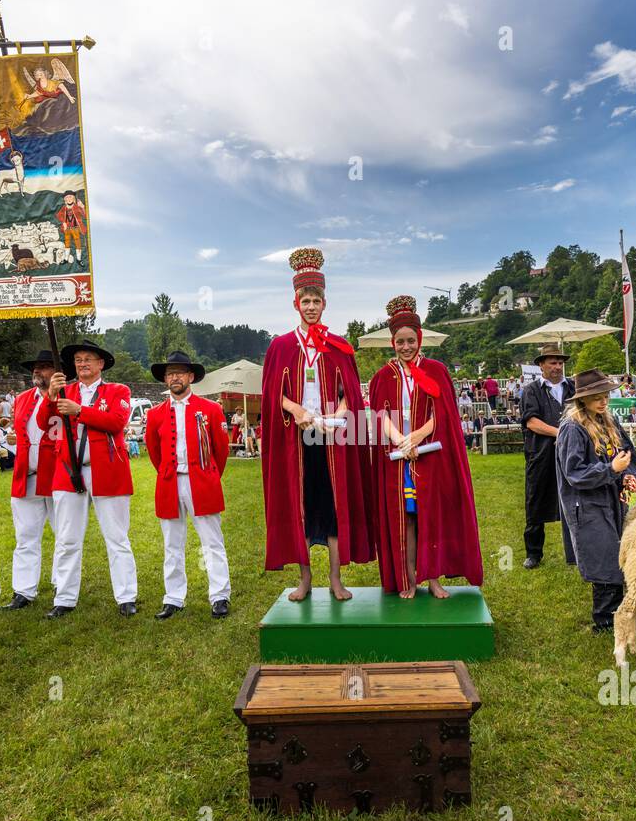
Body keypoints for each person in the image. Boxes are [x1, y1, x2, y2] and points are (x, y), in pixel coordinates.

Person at [260, 247, 374, 601]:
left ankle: (336, 579)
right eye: (305, 300)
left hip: (332, 439)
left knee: (334, 506)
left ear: (325, 305)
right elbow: (270, 396)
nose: (311, 306)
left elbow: (350, 394)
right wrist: (296, 410)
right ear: (296, 303)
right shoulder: (279, 347)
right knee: (300, 507)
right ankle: (305, 579)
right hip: (295, 440)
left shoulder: (338, 347)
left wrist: (341, 414)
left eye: (316, 301)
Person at [367, 296, 482, 599]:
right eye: (400, 342)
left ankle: (433, 578)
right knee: (405, 519)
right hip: (397, 459)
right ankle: (408, 578)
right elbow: (380, 415)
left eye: (411, 340)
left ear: (419, 339)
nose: (406, 347)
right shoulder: (382, 377)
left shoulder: (436, 370)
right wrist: (400, 442)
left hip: (430, 455)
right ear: (393, 343)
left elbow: (443, 414)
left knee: (431, 516)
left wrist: (417, 438)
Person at [38, 342, 138, 618]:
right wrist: (50, 397)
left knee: (116, 537)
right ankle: (65, 597)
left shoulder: (118, 391)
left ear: (100, 364)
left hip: (106, 469)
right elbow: (42, 424)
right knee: (67, 538)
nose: (82, 364)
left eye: (88, 359)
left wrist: (79, 410)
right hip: (69, 471)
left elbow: (116, 422)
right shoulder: (65, 390)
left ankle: (126, 595)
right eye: (78, 360)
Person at [556, 369, 636, 633]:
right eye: (597, 396)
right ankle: (604, 621)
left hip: (613, 501)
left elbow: (628, 455)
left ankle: (620, 615)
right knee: (604, 558)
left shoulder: (609, 422)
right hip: (587, 506)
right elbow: (574, 474)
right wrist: (611, 471)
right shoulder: (572, 428)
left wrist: (629, 475)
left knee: (617, 555)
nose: (603, 400)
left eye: (605, 395)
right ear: (582, 399)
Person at [146, 351, 232, 620]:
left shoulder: (210, 409)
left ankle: (219, 595)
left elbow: (221, 451)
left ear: (191, 376)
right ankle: (173, 598)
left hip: (202, 482)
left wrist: (207, 476)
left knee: (211, 542)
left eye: (180, 373)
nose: (175, 377)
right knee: (172, 543)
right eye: (170, 373)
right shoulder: (155, 414)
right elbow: (154, 452)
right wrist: (169, 473)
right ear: (165, 379)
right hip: (170, 483)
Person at [4, 350, 59, 611]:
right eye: (35, 367)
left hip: (58, 475)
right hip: (26, 475)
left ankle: (64, 585)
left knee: (64, 535)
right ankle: (24, 590)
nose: (37, 371)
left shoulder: (68, 397)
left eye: (45, 367)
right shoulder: (23, 399)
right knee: (25, 536)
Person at [518, 345, 576, 569]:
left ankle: (575, 551)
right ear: (541, 365)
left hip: (571, 454)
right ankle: (534, 553)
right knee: (535, 503)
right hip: (540, 455)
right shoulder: (532, 390)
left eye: (560, 362)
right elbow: (531, 422)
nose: (557, 366)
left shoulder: (573, 388)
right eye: (552, 362)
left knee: (574, 501)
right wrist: (560, 433)